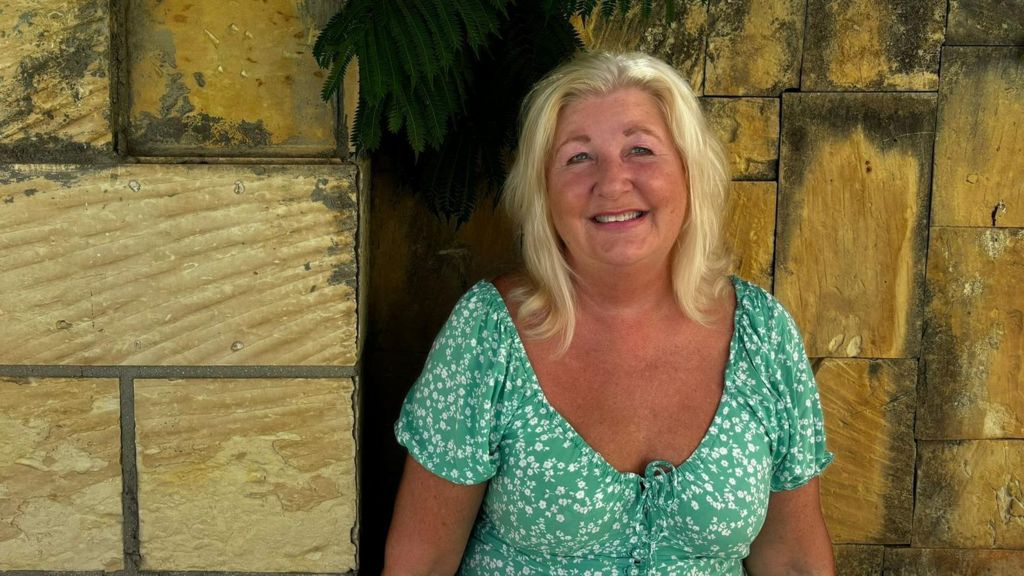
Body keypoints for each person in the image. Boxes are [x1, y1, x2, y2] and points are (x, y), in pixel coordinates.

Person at [384, 51, 835, 575]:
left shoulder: (762, 334)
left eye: (640, 149)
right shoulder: (488, 335)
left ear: (690, 174)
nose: (612, 182)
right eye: (578, 157)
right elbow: (424, 559)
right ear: (543, 192)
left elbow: (793, 558)